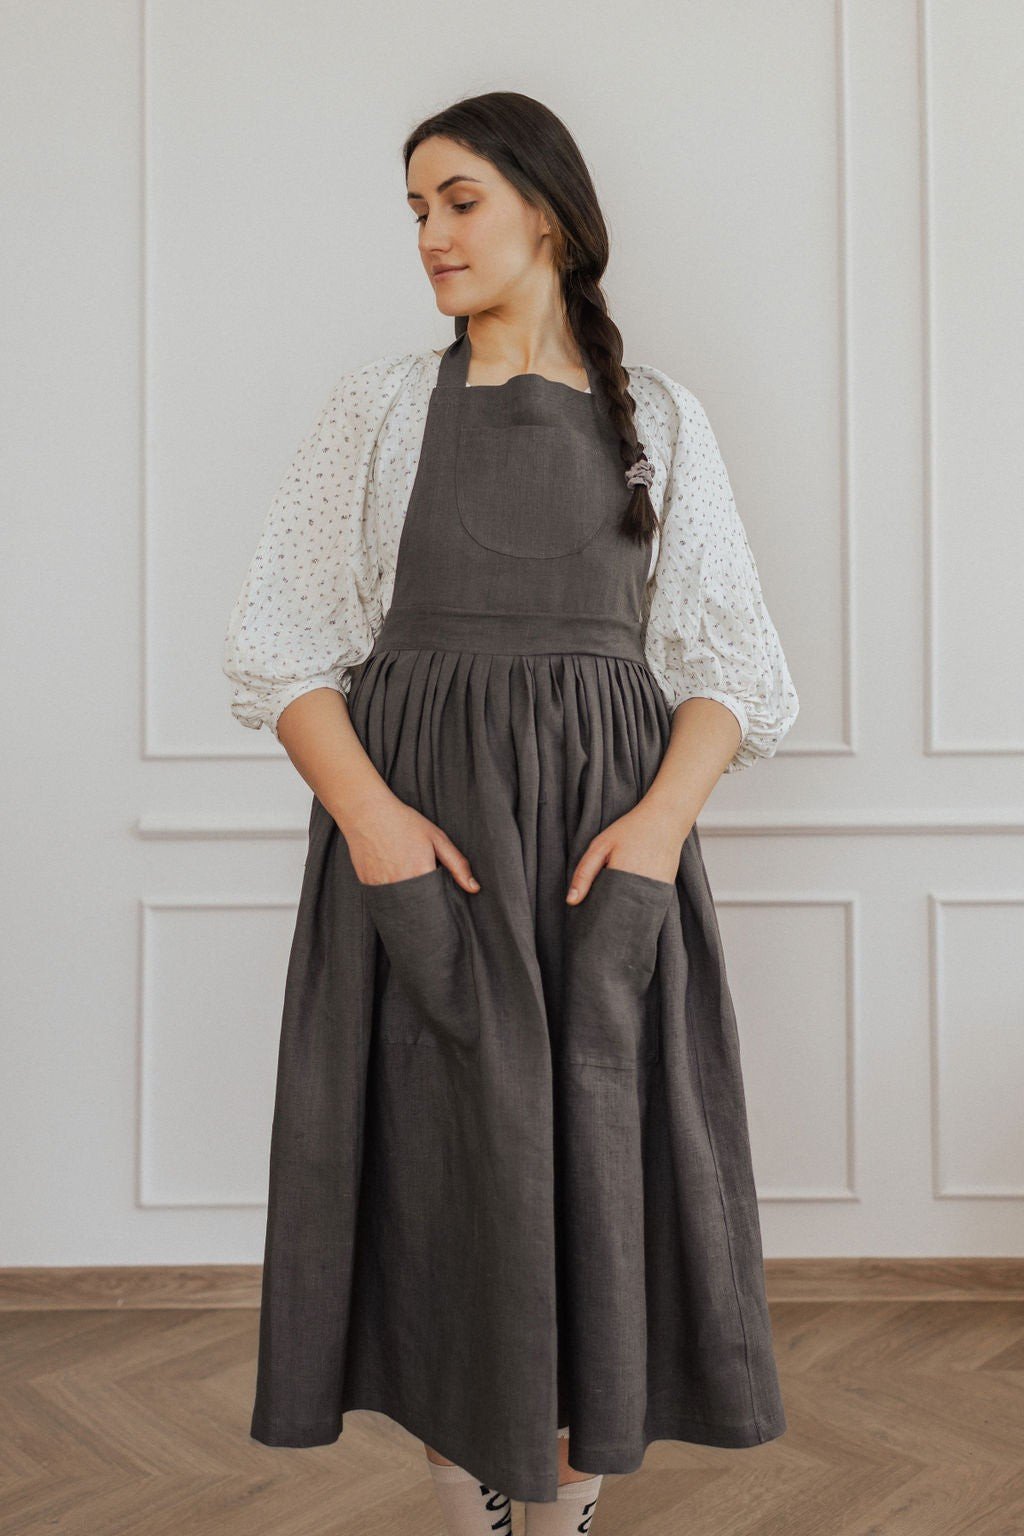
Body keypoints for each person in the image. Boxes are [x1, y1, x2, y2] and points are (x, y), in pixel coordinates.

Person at [223, 90, 799, 1536]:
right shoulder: (376, 411)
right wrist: (374, 826)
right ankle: (476, 1512)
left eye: (459, 200)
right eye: (416, 210)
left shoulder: (662, 420)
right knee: (442, 1185)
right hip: (427, 850)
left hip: (605, 859)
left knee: (604, 1179)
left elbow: (733, 671)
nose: (431, 234)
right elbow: (280, 647)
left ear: (545, 209)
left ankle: (567, 1510)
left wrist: (657, 832)